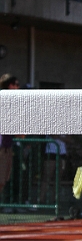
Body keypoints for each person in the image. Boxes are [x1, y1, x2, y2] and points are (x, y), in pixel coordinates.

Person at [0, 74, 20, 202]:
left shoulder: (13, 102)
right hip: (1, 148)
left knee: (3, 181)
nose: (18, 87)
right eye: (16, 84)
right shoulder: (4, 100)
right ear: (10, 86)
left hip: (7, 147)